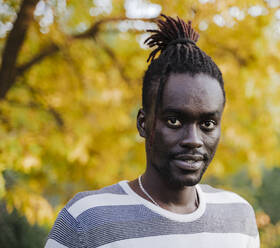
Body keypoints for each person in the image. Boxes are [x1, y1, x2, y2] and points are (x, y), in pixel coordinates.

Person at [45, 14, 259, 248]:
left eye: (207, 124)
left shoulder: (238, 217)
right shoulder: (86, 220)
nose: (193, 140)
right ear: (143, 123)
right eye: (174, 121)